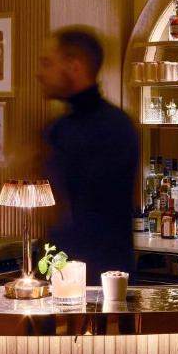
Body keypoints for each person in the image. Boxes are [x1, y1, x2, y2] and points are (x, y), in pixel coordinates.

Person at [38, 26, 138, 279]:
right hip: (84, 270)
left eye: (47, 63)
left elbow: (86, 217)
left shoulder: (100, 129)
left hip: (95, 279)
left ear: (74, 66)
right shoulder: (114, 123)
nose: (39, 73)